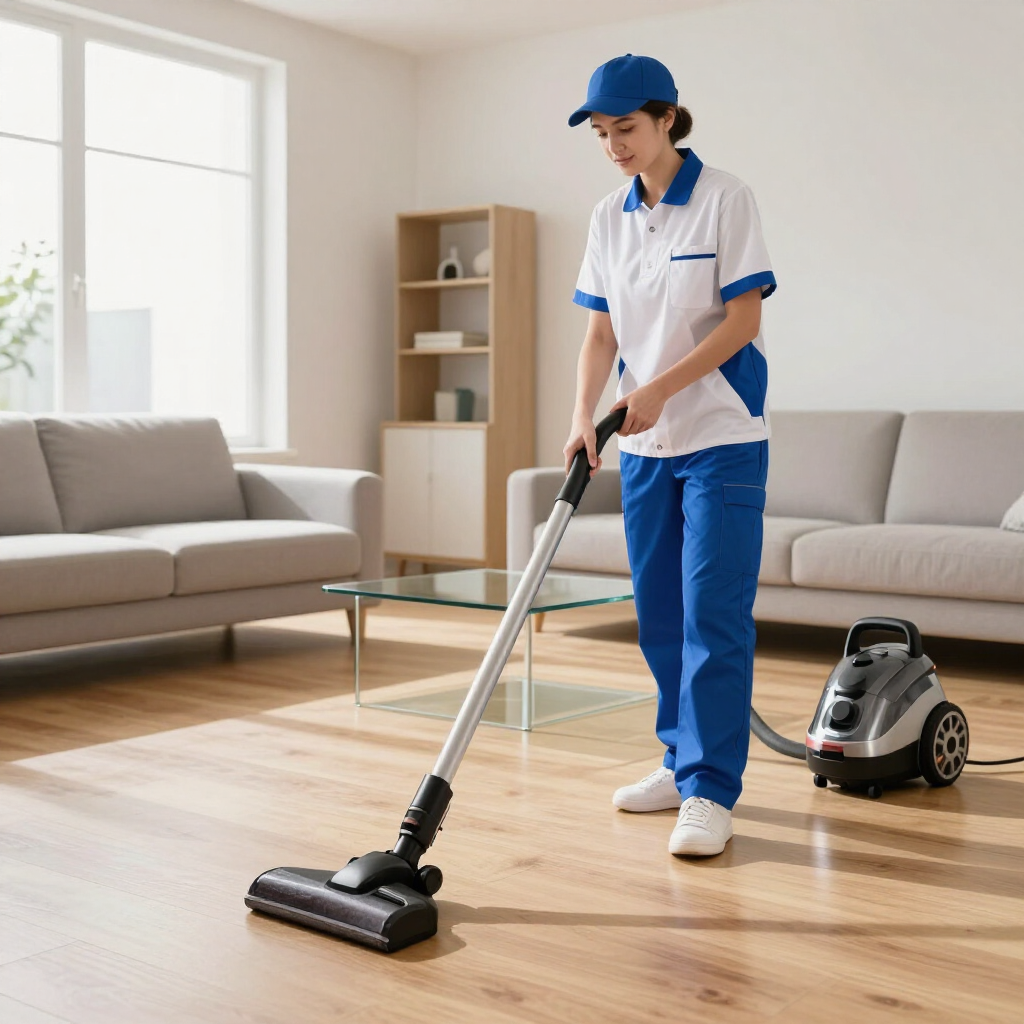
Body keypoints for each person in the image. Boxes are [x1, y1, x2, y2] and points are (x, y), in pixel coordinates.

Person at [564, 54, 777, 857]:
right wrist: (585, 412)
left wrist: (657, 388)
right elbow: (600, 333)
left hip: (721, 435)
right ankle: (678, 761)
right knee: (659, 616)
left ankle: (712, 790)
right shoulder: (605, 217)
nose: (613, 144)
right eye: (601, 131)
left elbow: (741, 322)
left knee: (711, 616)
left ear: (667, 118)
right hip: (643, 444)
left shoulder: (725, 198)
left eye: (626, 128)